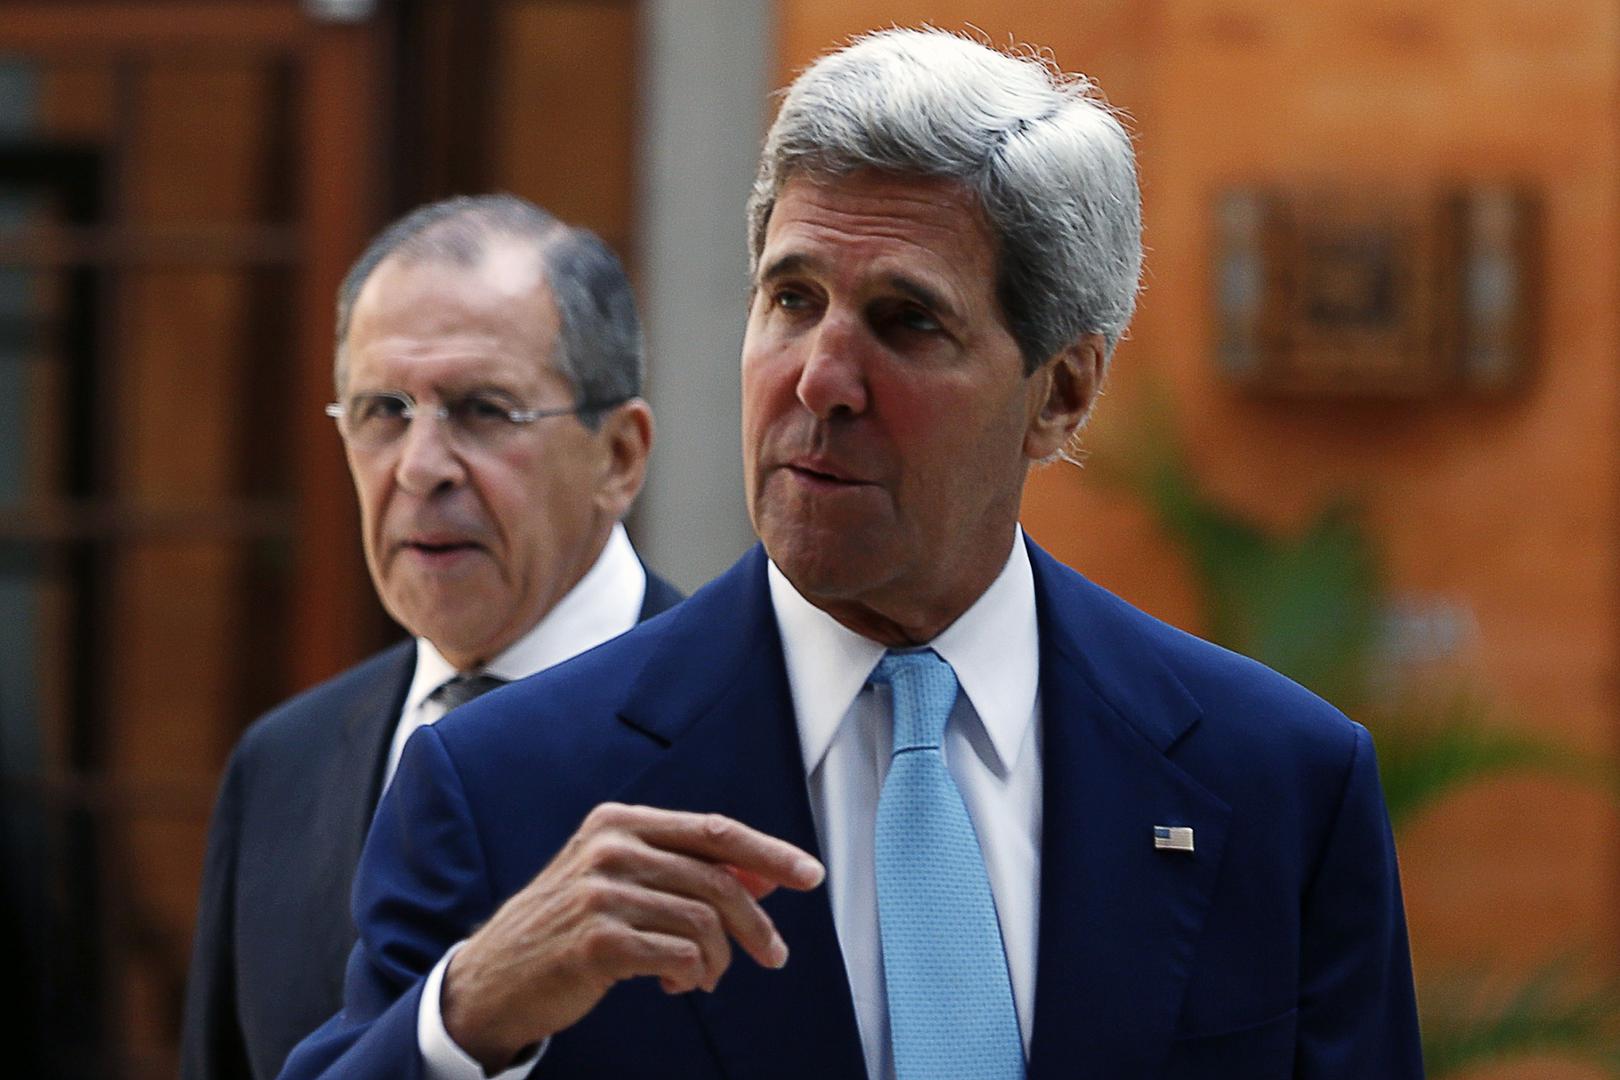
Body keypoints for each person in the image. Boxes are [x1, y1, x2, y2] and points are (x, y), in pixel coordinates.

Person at [281, 30, 1423, 1080]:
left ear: (1062, 392)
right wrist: (469, 1015)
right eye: (792, 299)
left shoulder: (1276, 782)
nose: (820, 379)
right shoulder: (506, 786)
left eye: (906, 321)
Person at [181, 194, 683, 1080]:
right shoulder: (281, 766)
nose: (419, 468)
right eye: (383, 409)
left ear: (619, 456)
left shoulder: (747, 722)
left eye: (483, 409)